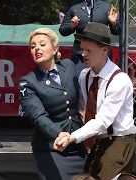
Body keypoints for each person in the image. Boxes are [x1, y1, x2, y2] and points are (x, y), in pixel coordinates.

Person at [54, 22, 136, 180]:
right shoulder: (85, 75)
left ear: (104, 49)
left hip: (119, 142)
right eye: (82, 49)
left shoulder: (119, 80)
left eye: (89, 50)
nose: (83, 54)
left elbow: (103, 121)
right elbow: (82, 108)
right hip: (98, 141)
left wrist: (73, 137)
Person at [19, 27, 87, 180]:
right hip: (52, 149)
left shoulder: (69, 66)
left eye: (42, 44)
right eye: (33, 46)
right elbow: (38, 116)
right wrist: (58, 134)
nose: (37, 48)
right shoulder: (28, 82)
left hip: (78, 146)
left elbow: (83, 97)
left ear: (55, 48)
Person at [59, 0, 121, 73]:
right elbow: (62, 30)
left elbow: (117, 31)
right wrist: (71, 26)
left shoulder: (107, 6)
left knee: (102, 80)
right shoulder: (73, 6)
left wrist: (114, 23)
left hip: (101, 53)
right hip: (80, 54)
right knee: (80, 80)